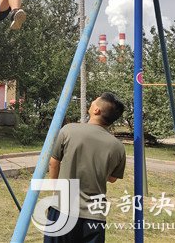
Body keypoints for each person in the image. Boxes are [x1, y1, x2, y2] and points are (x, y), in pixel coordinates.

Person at [44, 92, 126, 243]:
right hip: (94, 216)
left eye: (94, 101)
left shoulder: (69, 130)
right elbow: (112, 178)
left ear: (96, 110)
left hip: (63, 210)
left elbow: (53, 162)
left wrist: (56, 190)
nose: (92, 102)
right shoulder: (118, 147)